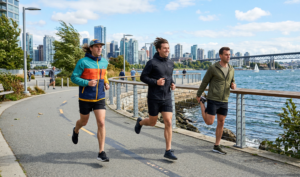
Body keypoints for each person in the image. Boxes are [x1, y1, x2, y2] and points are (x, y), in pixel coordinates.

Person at [135, 37, 177, 160]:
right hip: (154, 97)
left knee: (168, 122)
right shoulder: (152, 63)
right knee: (152, 122)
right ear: (158, 49)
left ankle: (168, 150)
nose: (167, 50)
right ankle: (141, 122)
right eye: (165, 48)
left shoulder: (170, 63)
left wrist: (172, 84)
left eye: (168, 48)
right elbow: (143, 77)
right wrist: (155, 82)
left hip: (167, 97)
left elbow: (169, 77)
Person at [71, 39, 110, 162]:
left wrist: (107, 83)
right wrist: (87, 83)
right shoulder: (83, 62)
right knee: (83, 122)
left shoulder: (104, 62)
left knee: (101, 123)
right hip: (85, 98)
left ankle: (101, 152)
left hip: (100, 97)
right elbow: (74, 77)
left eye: (101, 46)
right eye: (97, 47)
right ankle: (76, 130)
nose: (99, 48)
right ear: (91, 48)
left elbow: (104, 75)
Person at [196, 47, 236, 155]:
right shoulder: (213, 68)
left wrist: (233, 86)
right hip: (213, 98)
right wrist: (199, 95)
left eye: (229, 55)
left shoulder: (232, 69)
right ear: (220, 56)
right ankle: (202, 103)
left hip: (224, 100)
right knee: (209, 122)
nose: (228, 56)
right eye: (226, 55)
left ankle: (216, 145)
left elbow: (233, 82)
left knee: (221, 122)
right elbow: (205, 82)